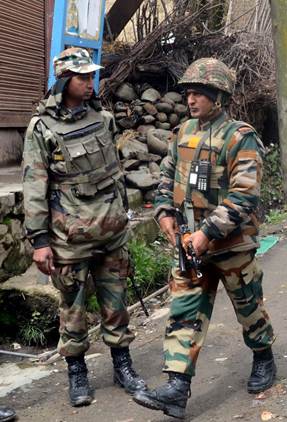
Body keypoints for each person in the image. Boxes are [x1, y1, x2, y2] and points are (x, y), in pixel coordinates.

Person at [134, 58, 273, 419]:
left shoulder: (240, 137)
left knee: (249, 307)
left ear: (218, 96)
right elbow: (166, 176)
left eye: (198, 93)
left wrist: (207, 233)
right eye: (188, 93)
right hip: (188, 243)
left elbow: (245, 196)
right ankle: (177, 390)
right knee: (183, 313)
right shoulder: (182, 133)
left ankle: (263, 357)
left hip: (231, 245)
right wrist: (164, 213)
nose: (190, 100)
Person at [22, 47, 146, 406]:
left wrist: (124, 217)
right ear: (64, 81)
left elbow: (115, 174)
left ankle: (123, 365)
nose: (90, 83)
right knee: (73, 309)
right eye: (82, 77)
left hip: (111, 231)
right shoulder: (41, 128)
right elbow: (34, 188)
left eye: (91, 76)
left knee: (116, 303)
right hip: (70, 237)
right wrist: (40, 241)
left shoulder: (103, 118)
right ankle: (77, 373)